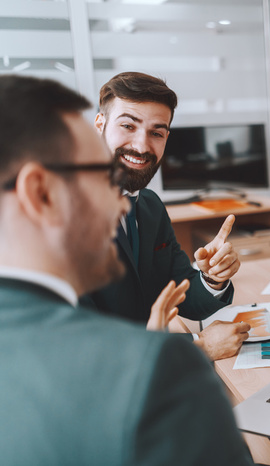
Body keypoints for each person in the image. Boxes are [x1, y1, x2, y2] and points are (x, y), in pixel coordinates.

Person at [0, 74, 270, 465]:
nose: (121, 198)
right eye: (98, 176)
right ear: (39, 193)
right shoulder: (153, 371)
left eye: (157, 131)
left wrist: (209, 281)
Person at [82, 72, 249, 360]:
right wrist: (199, 346)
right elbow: (80, 346)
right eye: (127, 126)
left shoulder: (150, 206)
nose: (141, 146)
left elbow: (183, 297)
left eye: (156, 133)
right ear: (100, 125)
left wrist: (212, 278)